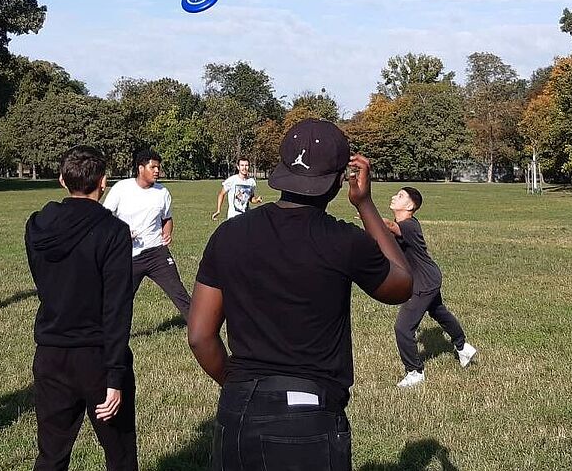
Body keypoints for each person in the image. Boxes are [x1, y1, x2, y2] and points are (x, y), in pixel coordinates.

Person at [187, 119, 413, 470]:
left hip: (236, 411)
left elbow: (200, 336)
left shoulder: (228, 235)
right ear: (339, 179)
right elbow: (401, 284)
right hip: (309, 415)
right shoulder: (342, 240)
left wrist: (241, 387)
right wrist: (365, 204)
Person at [26, 146, 137, 471]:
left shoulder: (36, 227)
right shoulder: (113, 232)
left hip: (50, 354)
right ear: (103, 182)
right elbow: (117, 308)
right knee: (120, 455)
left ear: (62, 180)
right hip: (97, 358)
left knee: (51, 455)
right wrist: (115, 377)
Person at [385, 186, 476, 388]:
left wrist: (368, 213)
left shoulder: (408, 225)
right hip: (429, 278)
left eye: (400, 196)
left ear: (410, 205)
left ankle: (415, 372)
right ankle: (463, 347)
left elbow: (389, 226)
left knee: (403, 327)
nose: (393, 197)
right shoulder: (405, 224)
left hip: (423, 283)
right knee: (439, 312)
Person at [103, 149, 191, 320]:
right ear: (140, 168)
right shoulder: (122, 188)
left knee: (178, 292)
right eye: (153, 167)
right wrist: (121, 234)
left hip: (156, 252)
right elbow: (105, 218)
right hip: (128, 256)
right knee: (121, 299)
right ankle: (110, 332)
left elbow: (167, 218)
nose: (157, 171)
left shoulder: (162, 192)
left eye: (158, 167)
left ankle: (199, 327)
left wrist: (167, 233)